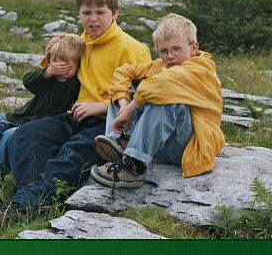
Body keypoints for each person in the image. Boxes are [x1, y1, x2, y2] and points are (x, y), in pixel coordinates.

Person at [0, 0, 151, 228]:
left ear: (115, 13)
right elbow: (60, 72)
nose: (93, 19)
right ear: (79, 13)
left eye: (100, 12)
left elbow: (144, 96)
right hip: (75, 116)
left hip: (107, 124)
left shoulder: (133, 48)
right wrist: (50, 56)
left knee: (70, 155)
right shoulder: (82, 41)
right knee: (26, 135)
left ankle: (18, 212)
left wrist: (102, 106)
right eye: (86, 12)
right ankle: (30, 202)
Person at [90, 13, 225, 190]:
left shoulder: (202, 69)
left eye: (177, 49)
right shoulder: (161, 65)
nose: (170, 56)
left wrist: (130, 110)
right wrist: (123, 105)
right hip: (164, 143)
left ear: (194, 47)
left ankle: (134, 167)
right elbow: (123, 72)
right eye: (164, 51)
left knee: (168, 96)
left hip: (188, 148)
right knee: (128, 87)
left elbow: (165, 83)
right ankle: (121, 141)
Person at [0, 33, 85, 184]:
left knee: (10, 135)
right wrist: (49, 70)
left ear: (79, 66)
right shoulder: (49, 75)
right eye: (58, 64)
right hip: (20, 116)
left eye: (67, 67)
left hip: (35, 127)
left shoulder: (75, 84)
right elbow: (29, 82)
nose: (61, 70)